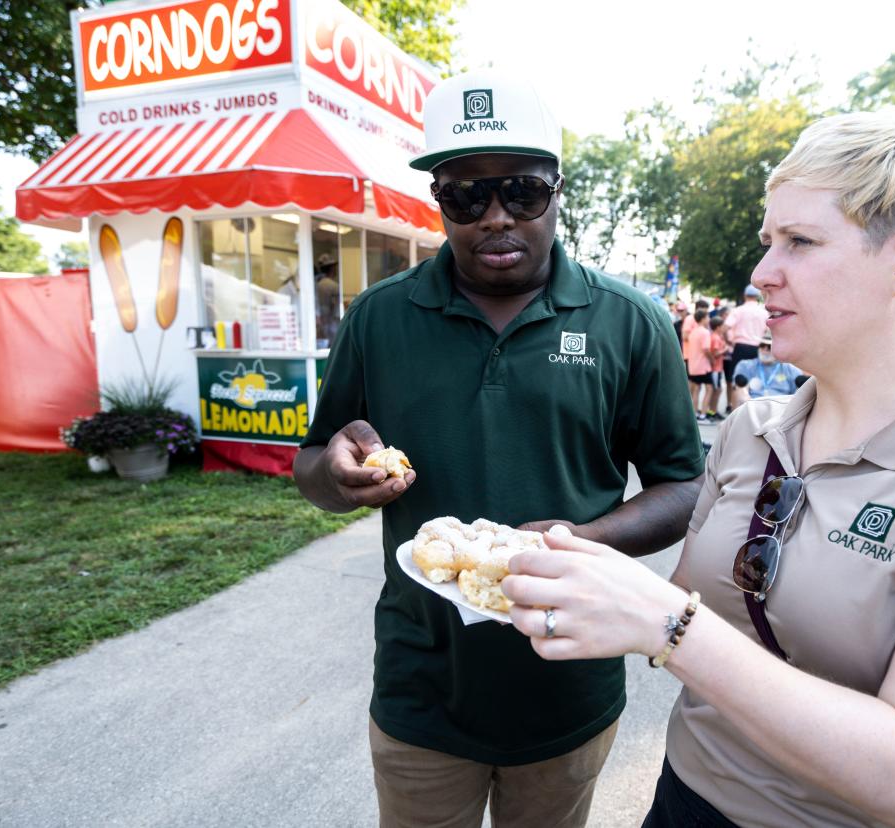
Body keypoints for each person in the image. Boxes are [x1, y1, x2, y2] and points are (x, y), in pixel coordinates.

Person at [501, 110, 895, 828]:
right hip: (685, 797)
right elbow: (698, 604)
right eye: (768, 242)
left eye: (801, 241)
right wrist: (570, 575)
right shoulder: (750, 433)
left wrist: (664, 623)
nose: (761, 273)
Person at [292, 69, 705, 828]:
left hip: (568, 684)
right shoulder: (382, 319)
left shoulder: (628, 322)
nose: (493, 217)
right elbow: (313, 463)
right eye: (465, 196)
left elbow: (683, 485)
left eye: (520, 191)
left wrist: (580, 543)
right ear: (439, 200)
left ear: (555, 188)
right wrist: (336, 472)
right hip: (422, 685)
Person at [725, 284, 769, 410]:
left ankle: (734, 409)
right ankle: (752, 408)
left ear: (745, 295)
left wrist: (729, 341)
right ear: (758, 296)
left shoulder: (738, 310)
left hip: (740, 347)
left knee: (737, 379)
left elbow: (725, 327)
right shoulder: (763, 312)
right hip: (757, 347)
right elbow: (768, 331)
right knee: (756, 377)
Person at [732, 330, 802, 398]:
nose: (765, 350)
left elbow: (798, 394)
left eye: (769, 347)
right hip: (753, 405)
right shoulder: (745, 365)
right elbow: (739, 390)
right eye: (762, 345)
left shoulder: (790, 369)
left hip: (781, 406)